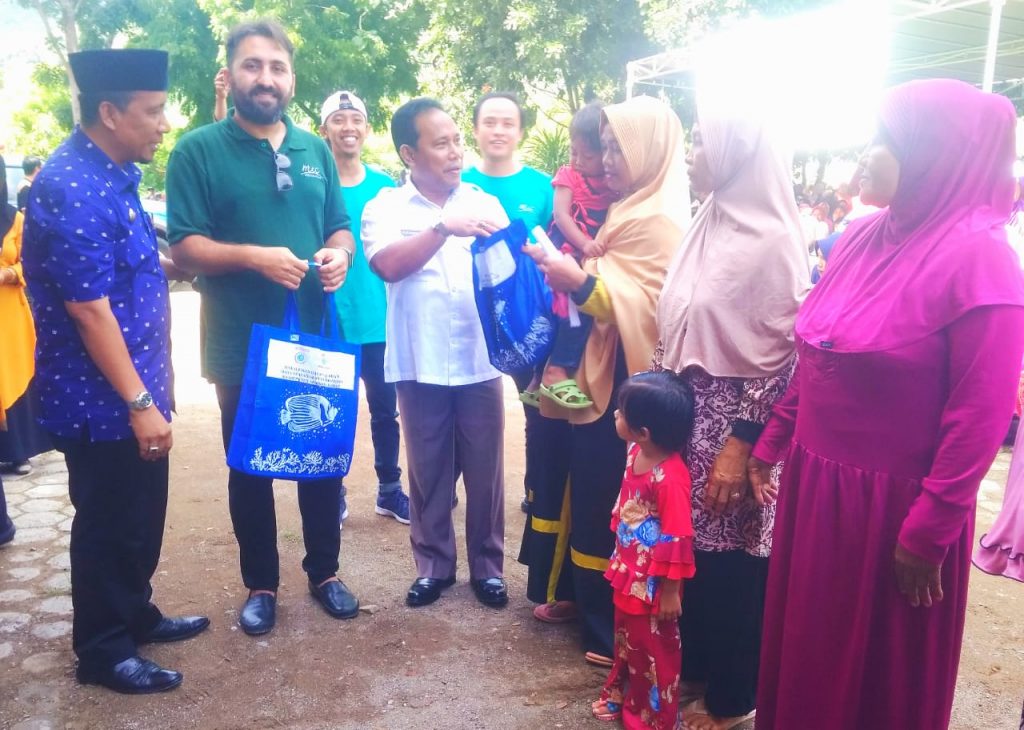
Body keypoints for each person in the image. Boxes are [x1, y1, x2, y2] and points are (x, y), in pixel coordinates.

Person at [750, 79, 1024, 730]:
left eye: (885, 140)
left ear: (935, 152)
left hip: (894, 514)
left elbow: (979, 419)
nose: (865, 154)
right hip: (817, 492)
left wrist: (929, 531)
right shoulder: (863, 236)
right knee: (810, 659)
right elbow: (822, 351)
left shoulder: (983, 263)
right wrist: (773, 441)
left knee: (874, 683)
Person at [21, 48, 209, 694]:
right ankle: (103, 650)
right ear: (109, 112)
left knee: (140, 515)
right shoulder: (70, 186)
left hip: (136, 387)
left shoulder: (114, 173)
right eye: (152, 111)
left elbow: (128, 259)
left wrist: (177, 267)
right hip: (101, 401)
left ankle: (135, 613)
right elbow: (88, 309)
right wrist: (139, 403)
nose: (163, 123)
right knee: (108, 522)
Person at [166, 20, 358, 637]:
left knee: (320, 455)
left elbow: (339, 225)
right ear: (230, 74)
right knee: (249, 465)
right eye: (253, 66)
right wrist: (255, 257)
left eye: (277, 67)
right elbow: (185, 247)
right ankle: (261, 585)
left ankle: (325, 572)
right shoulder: (197, 150)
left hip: (313, 335)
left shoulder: (314, 150)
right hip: (240, 341)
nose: (266, 78)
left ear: (291, 79)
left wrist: (341, 254)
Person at [519, 95, 690, 666]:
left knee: (605, 494)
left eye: (620, 148)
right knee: (582, 485)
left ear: (650, 151)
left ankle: (605, 626)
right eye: (606, 146)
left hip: (625, 376)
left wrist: (580, 281)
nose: (608, 159)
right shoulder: (626, 208)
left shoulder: (660, 221)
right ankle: (577, 597)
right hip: (596, 369)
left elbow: (650, 308)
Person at [656, 100, 808, 730]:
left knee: (736, 562)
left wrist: (742, 441)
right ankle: (699, 668)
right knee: (696, 553)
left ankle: (733, 696)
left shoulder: (775, 240)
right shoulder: (708, 219)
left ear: (738, 152)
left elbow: (786, 353)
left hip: (737, 425)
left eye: (702, 142)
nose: (692, 156)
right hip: (692, 416)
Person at [362, 97, 509, 609]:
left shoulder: (485, 202)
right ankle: (433, 566)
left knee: (487, 470)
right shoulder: (385, 207)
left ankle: (488, 568)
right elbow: (387, 265)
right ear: (409, 153)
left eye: (457, 142)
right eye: (441, 143)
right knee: (428, 472)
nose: (455, 152)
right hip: (418, 360)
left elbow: (508, 278)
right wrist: (444, 228)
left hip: (479, 360)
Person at [318, 89, 408, 527]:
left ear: (367, 129)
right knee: (331, 412)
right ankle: (331, 492)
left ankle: (389, 489)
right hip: (330, 320)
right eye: (339, 120)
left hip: (378, 322)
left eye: (355, 119)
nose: (348, 127)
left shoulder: (385, 188)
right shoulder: (315, 184)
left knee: (386, 412)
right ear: (324, 130)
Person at [462, 91, 553, 513]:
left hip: (523, 318)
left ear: (521, 132)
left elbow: (553, 246)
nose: (498, 131)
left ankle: (536, 491)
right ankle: (448, 487)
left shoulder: (542, 187)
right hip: (466, 314)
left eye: (507, 123)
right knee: (462, 408)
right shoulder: (458, 183)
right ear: (475, 129)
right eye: (489, 122)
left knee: (535, 405)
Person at [591, 371, 696, 729]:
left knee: (654, 652)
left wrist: (670, 591)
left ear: (644, 432)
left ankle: (654, 719)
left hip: (654, 586)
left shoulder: (670, 478)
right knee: (627, 639)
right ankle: (621, 693)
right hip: (628, 572)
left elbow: (678, 536)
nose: (615, 415)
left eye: (622, 412)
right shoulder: (635, 450)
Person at [520, 102, 618, 411]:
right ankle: (555, 369)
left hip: (585, 254)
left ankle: (540, 378)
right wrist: (585, 244)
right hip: (566, 246)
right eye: (573, 152)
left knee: (569, 312)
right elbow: (562, 217)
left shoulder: (613, 183)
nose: (577, 161)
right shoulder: (569, 176)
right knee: (572, 310)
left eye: (586, 156)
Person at [0, 154, 51, 477]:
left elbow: (31, 262)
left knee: (11, 375)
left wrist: (10, 274)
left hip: (9, 315)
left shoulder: (14, 219)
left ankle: (18, 452)